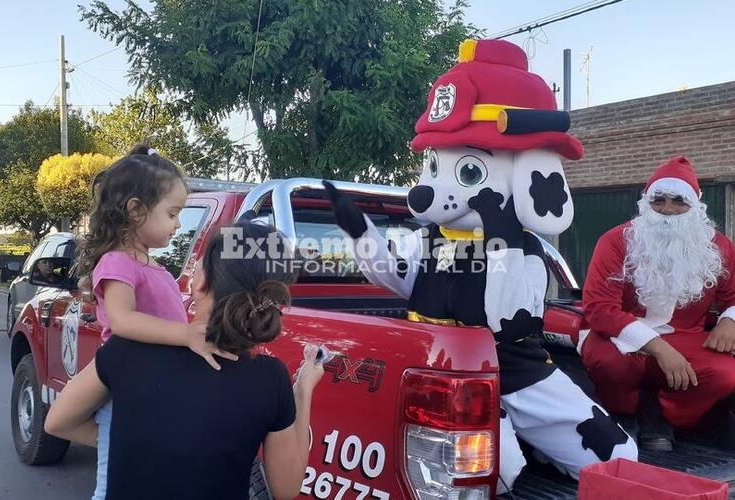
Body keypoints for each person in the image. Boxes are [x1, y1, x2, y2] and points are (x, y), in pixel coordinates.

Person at [326, 38, 637, 494]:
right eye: (432, 166)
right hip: (446, 379)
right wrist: (361, 234)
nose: (430, 190)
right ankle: (513, 451)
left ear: (528, 173)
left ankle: (533, 444)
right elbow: (396, 277)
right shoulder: (429, 238)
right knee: (495, 474)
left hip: (516, 371)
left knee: (616, 456)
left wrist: (503, 239)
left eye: (468, 172)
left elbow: (507, 319)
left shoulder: (526, 250)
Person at [46, 220, 322, 499]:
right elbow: (286, 490)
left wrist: (131, 441)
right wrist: (302, 393)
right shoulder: (269, 379)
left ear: (200, 281)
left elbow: (58, 422)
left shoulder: (127, 350)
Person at [73, 144, 237, 500]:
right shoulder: (118, 262)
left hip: (152, 392)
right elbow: (122, 321)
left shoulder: (154, 268)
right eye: (173, 213)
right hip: (127, 391)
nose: (179, 224)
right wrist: (186, 334)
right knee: (115, 482)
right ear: (135, 210)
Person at [581, 156, 735, 451]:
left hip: (685, 338)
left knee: (726, 373)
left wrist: (730, 320)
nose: (667, 210)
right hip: (619, 335)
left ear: (696, 206)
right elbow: (600, 308)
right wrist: (659, 347)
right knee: (611, 363)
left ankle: (665, 414)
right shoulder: (615, 240)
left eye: (679, 201)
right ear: (645, 203)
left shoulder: (718, 246)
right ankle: (624, 413)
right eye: (658, 200)